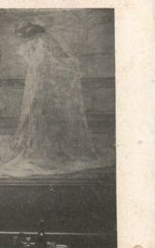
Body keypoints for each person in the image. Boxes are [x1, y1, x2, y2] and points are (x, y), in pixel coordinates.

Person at [9, 22, 98, 165]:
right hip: (45, 87)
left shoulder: (40, 44)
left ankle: (51, 151)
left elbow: (56, 62)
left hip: (46, 88)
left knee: (48, 117)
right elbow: (57, 62)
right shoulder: (40, 44)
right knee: (44, 117)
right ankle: (49, 151)